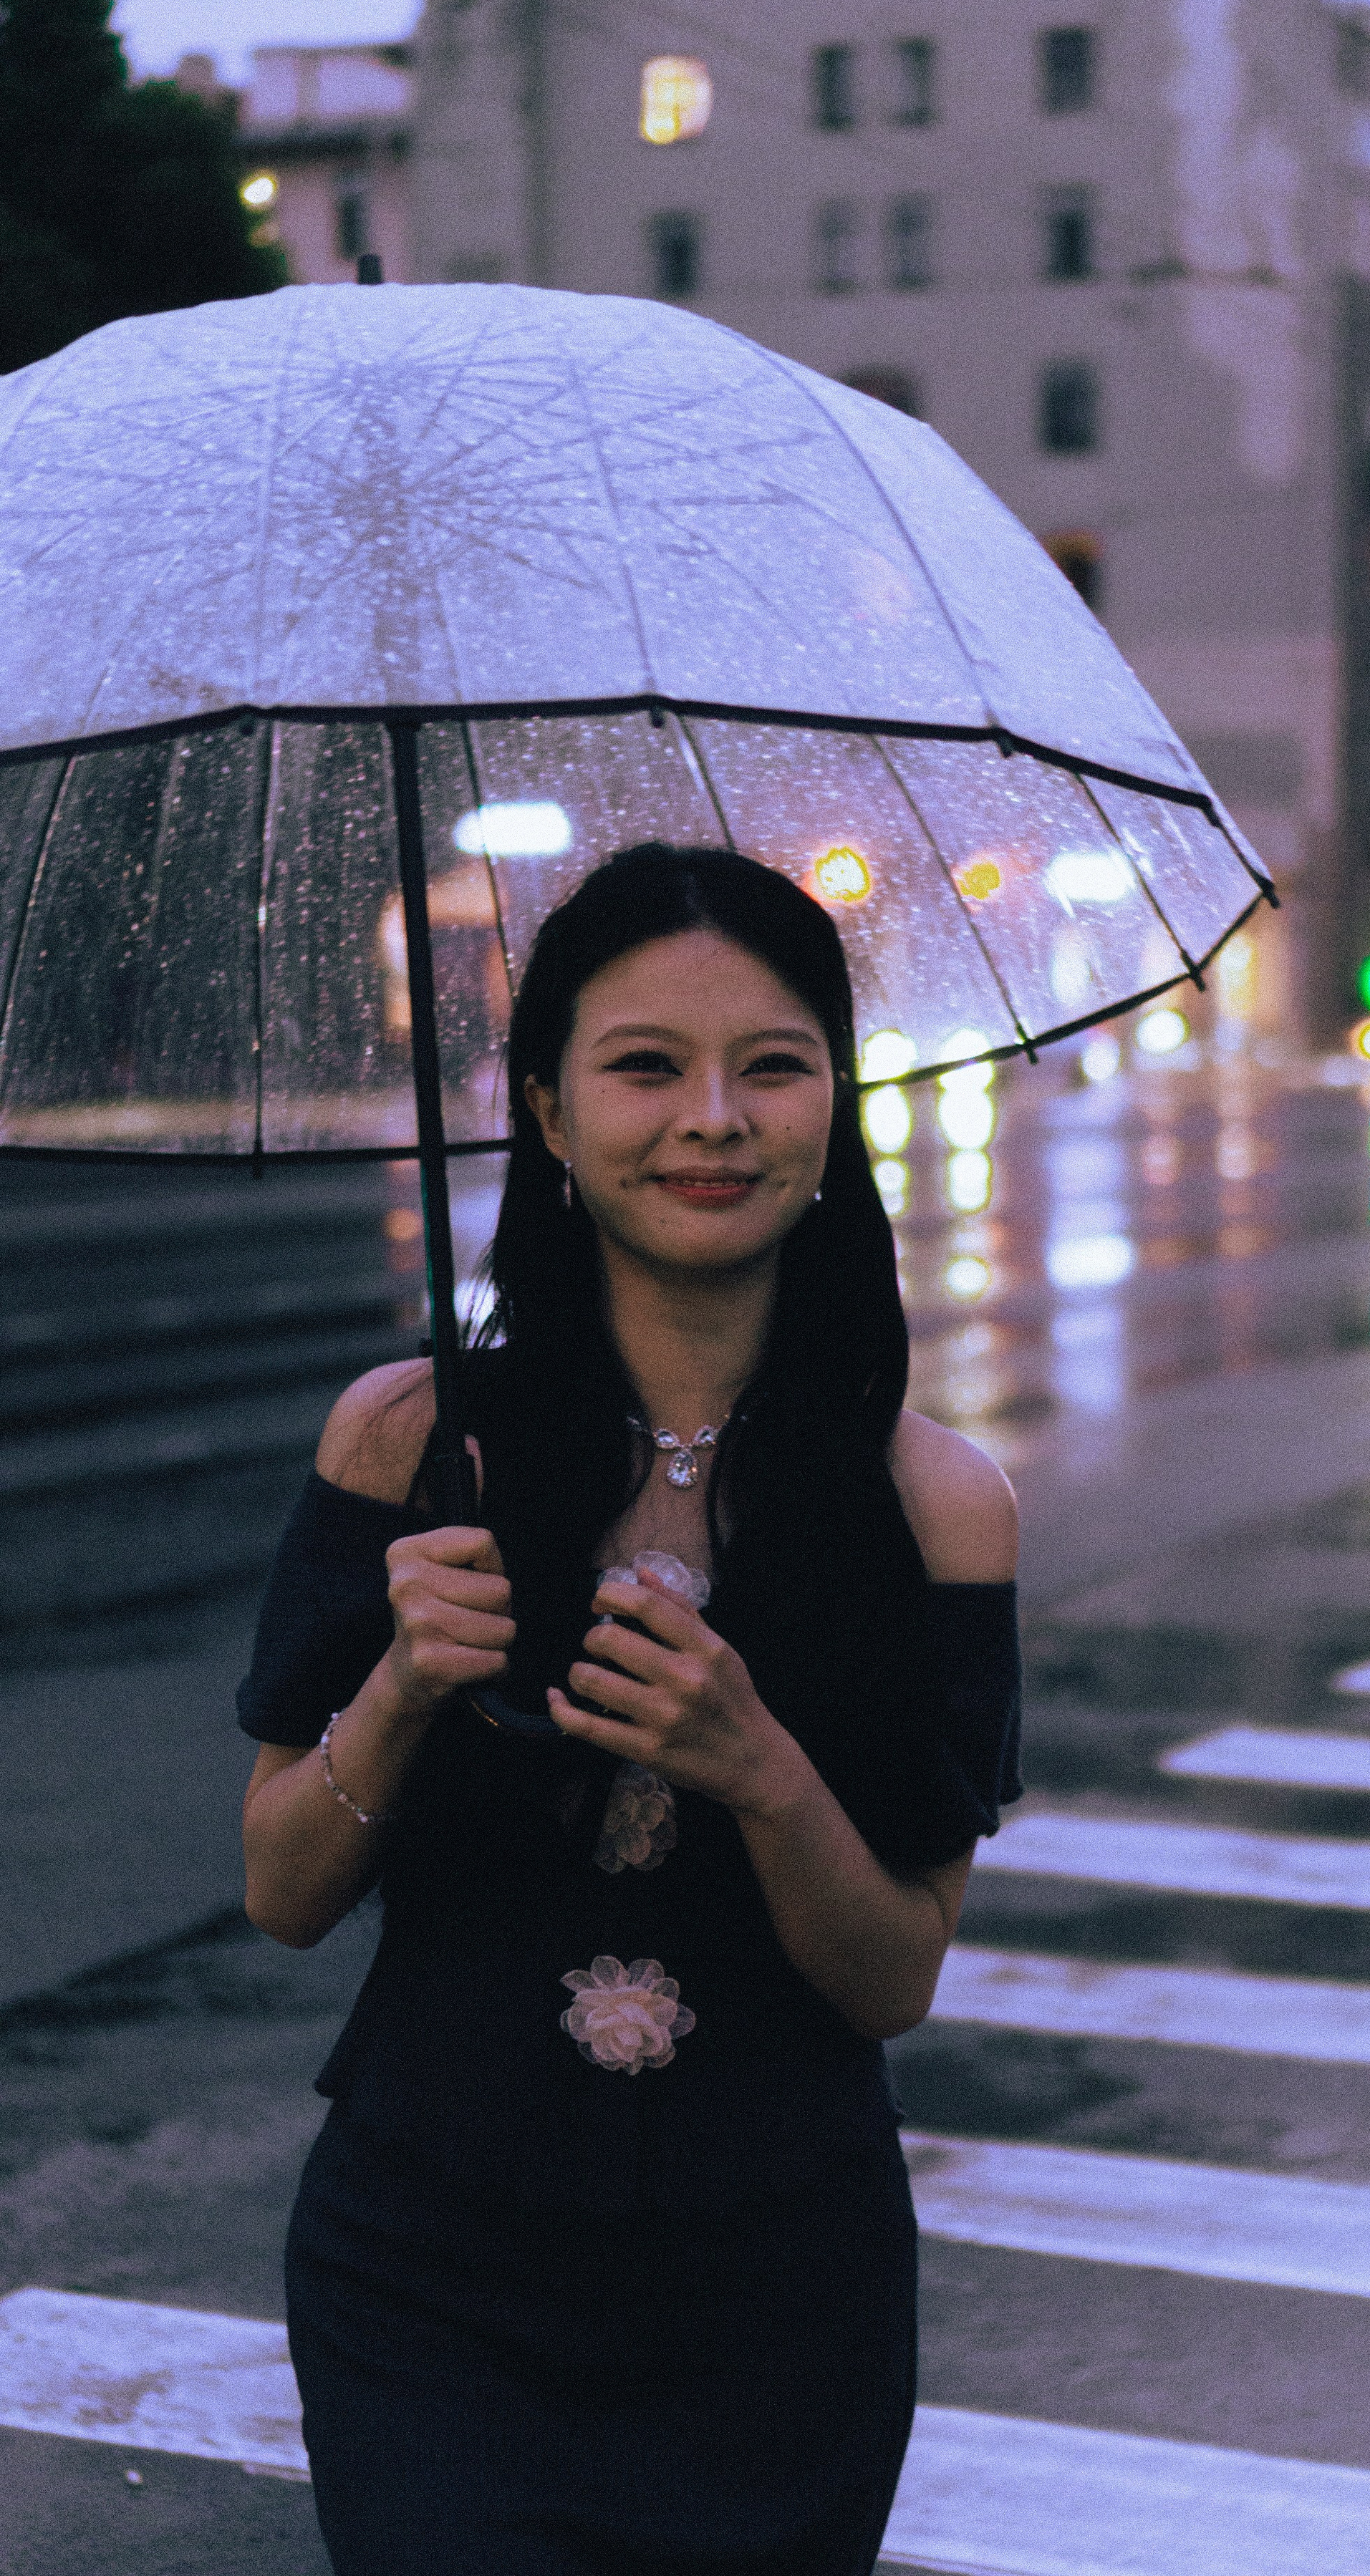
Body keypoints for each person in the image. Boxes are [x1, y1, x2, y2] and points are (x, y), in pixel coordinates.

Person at [236, 843, 1022, 2576]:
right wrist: (400, 1683)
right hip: (430, 2259)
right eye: (645, 1066)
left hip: (776, 2292)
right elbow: (283, 1892)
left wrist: (757, 1771)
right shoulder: (408, 1445)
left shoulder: (933, 1506)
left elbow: (890, 1975)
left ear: (837, 1101)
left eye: (772, 1064)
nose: (711, 1121)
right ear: (546, 1106)